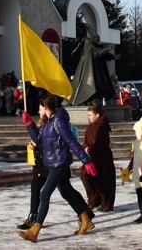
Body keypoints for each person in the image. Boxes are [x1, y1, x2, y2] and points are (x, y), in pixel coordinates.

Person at [18, 94, 97, 243]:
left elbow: (72, 143)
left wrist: (87, 162)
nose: (38, 111)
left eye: (40, 108)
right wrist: (29, 124)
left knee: (44, 193)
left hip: (59, 163)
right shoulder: (48, 123)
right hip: (52, 163)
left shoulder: (59, 122)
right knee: (66, 192)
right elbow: (39, 139)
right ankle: (86, 220)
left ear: (46, 108)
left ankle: (34, 231)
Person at [80, 103, 116, 212]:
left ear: (97, 115)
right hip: (94, 156)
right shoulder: (93, 125)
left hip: (102, 157)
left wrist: (90, 149)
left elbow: (100, 142)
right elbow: (88, 140)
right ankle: (95, 199)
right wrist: (86, 147)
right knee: (86, 175)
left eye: (91, 115)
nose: (89, 117)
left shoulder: (101, 126)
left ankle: (105, 203)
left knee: (104, 179)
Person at [16, 116, 50, 231]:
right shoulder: (42, 132)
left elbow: (47, 145)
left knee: (66, 191)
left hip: (49, 167)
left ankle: (84, 212)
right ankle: (33, 217)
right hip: (39, 167)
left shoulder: (50, 130)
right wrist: (33, 148)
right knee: (36, 189)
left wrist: (37, 145)